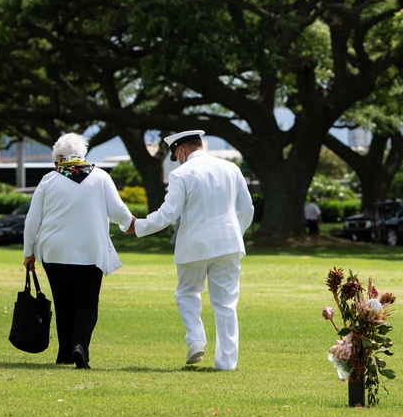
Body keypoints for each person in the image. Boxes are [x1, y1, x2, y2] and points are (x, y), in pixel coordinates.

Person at [124, 130, 254, 370]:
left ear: (181, 150)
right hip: (228, 244)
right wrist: (235, 234)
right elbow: (246, 209)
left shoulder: (181, 173)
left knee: (187, 293)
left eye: (176, 155)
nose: (178, 159)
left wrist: (139, 225)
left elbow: (168, 214)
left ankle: (195, 340)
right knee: (225, 304)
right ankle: (226, 363)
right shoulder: (231, 169)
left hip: (194, 245)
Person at [22, 133, 136, 369]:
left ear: (60, 157)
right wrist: (131, 225)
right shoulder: (101, 177)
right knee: (86, 304)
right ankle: (80, 345)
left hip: (54, 252)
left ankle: (64, 353)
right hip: (90, 251)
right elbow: (119, 211)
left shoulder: (48, 180)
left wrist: (28, 252)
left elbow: (32, 221)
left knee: (63, 303)